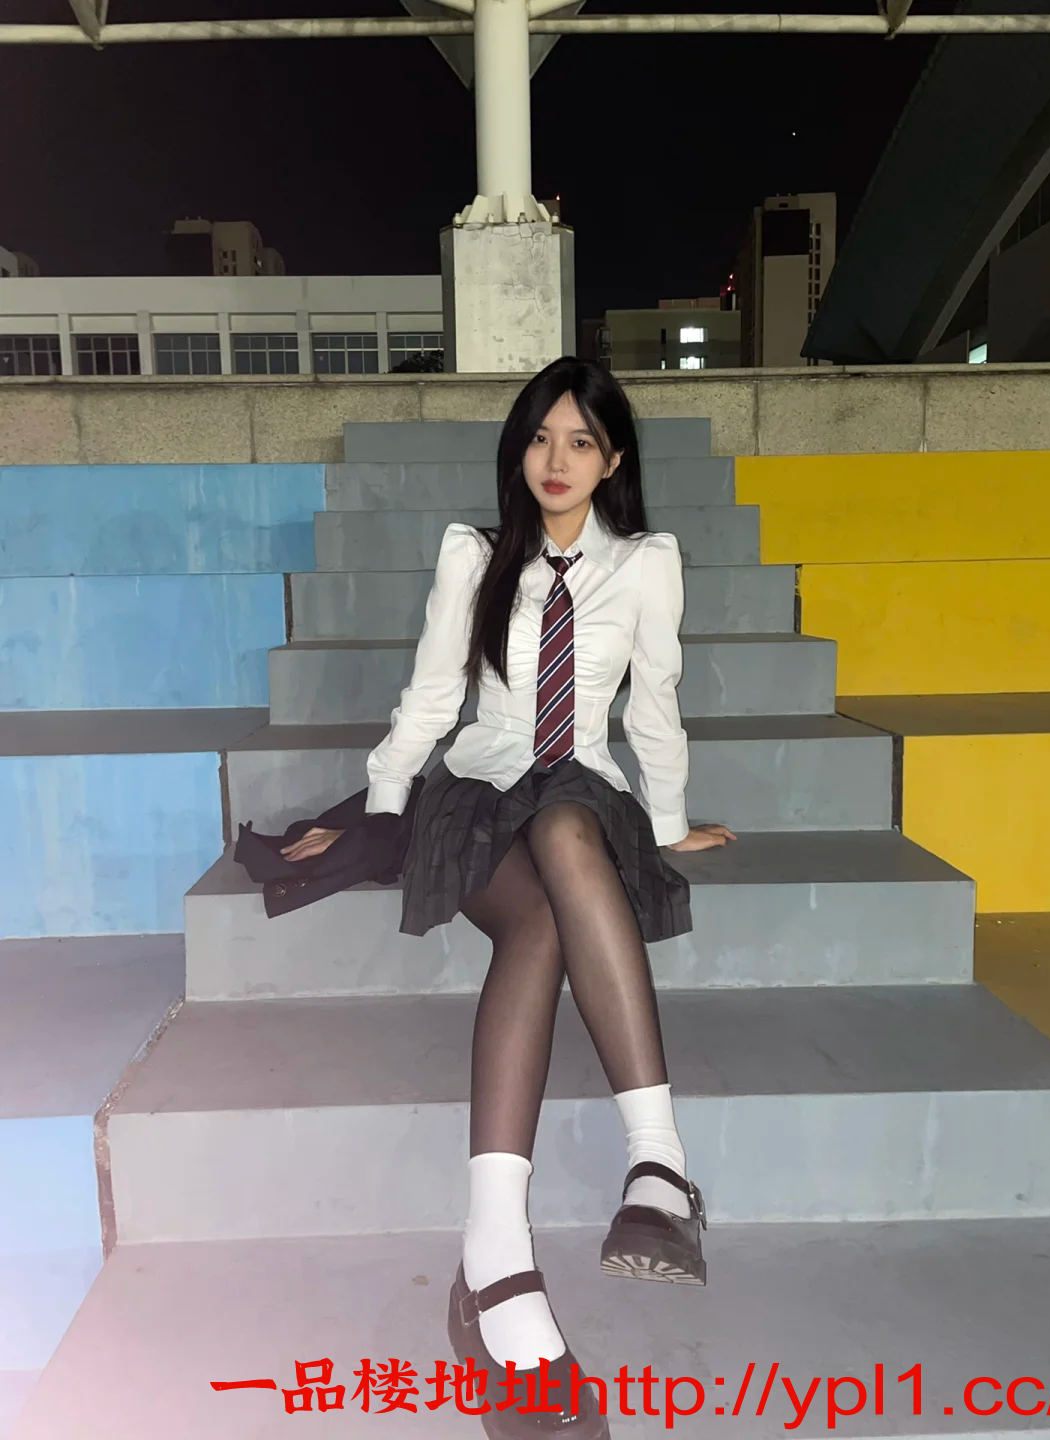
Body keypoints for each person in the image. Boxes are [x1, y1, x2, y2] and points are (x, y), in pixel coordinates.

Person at [282, 357, 734, 1439]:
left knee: (571, 827)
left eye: (580, 442)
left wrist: (669, 822)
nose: (556, 460)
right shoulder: (475, 557)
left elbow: (654, 705)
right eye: (539, 437)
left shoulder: (645, 566)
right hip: (481, 787)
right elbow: (434, 692)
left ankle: (639, 1174)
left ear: (613, 460)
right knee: (533, 921)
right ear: (518, 449)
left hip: (579, 787)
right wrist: (383, 806)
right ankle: (513, 1242)